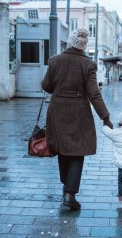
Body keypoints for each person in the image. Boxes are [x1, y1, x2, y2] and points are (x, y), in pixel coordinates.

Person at [42, 29, 113, 210]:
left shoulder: (55, 61)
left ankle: (66, 186)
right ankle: (70, 194)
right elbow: (94, 94)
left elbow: (46, 86)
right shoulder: (87, 64)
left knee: (63, 148)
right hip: (78, 113)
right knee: (77, 150)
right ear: (83, 45)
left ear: (70, 42)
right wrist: (105, 117)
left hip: (57, 111)